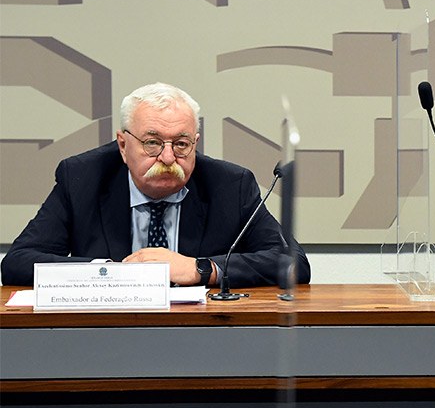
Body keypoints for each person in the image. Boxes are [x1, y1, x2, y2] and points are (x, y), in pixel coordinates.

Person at [1, 82, 310, 287]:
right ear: (123, 145)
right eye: (152, 143)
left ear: (196, 142)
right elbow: (17, 263)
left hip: (201, 338)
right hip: (104, 336)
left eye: (181, 144)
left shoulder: (229, 185)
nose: (168, 157)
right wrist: (107, 273)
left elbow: (293, 263)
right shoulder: (82, 177)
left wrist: (201, 269)